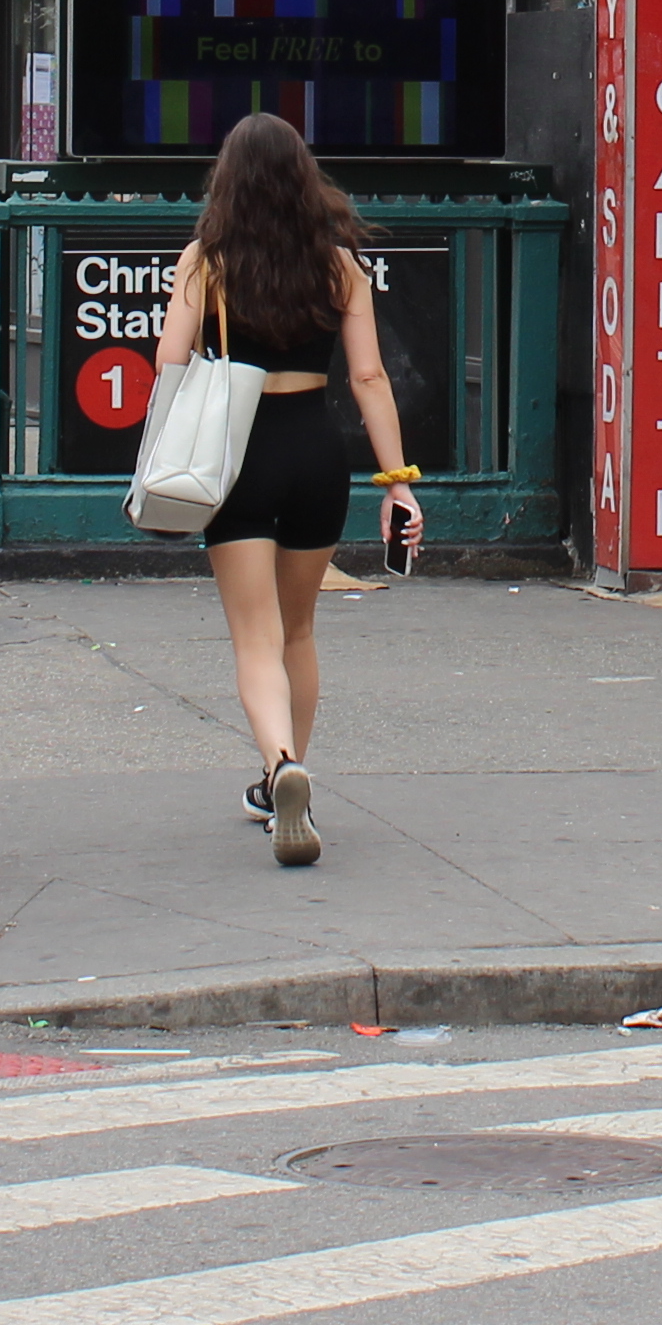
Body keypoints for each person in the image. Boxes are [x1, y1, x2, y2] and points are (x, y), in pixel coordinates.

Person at [153, 113, 416, 869]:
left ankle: (278, 767)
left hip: (236, 455)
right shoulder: (339, 266)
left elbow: (171, 360)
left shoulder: (207, 260)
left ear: (227, 182)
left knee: (254, 636)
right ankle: (288, 772)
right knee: (298, 631)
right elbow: (368, 377)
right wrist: (397, 483)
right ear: (304, 178)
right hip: (314, 451)